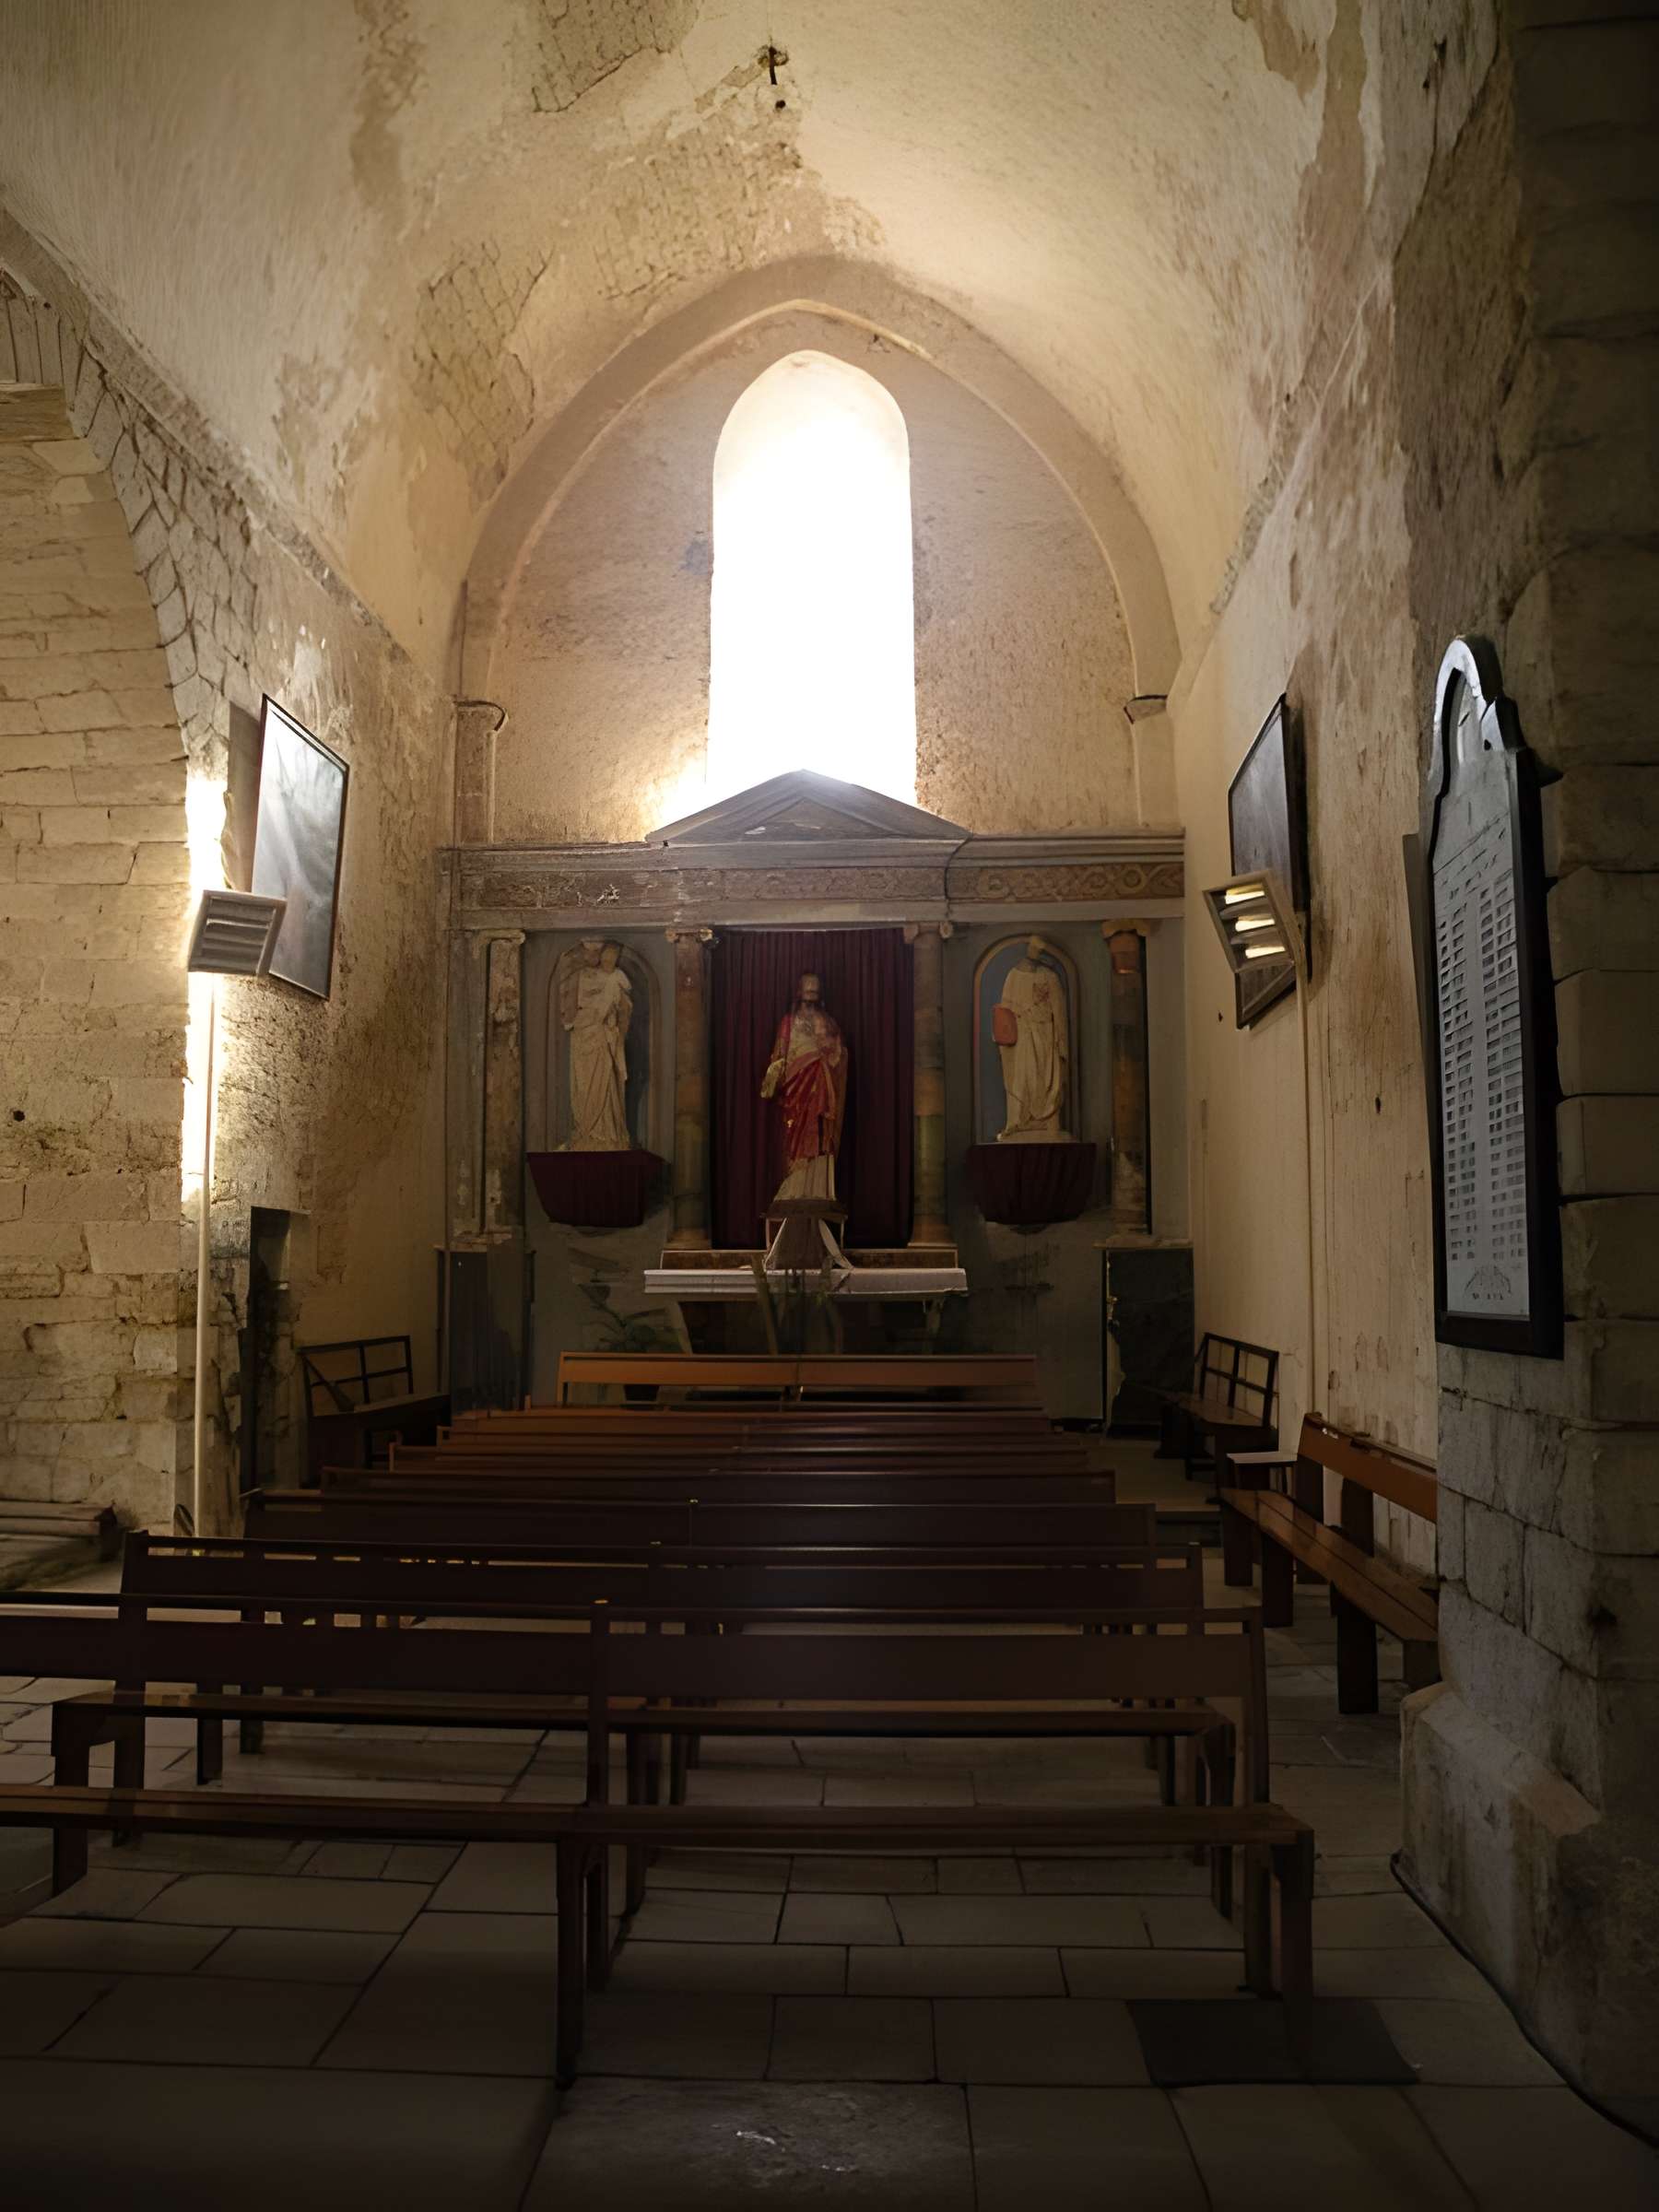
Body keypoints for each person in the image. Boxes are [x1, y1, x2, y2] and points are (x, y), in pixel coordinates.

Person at [759, 971, 847, 1204]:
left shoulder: (828, 1022)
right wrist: (775, 1073)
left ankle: (818, 1190)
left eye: (814, 994)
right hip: (795, 1092)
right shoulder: (788, 1022)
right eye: (807, 992)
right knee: (794, 1140)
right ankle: (794, 1188)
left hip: (821, 1087)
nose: (810, 1000)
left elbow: (839, 1054)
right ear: (799, 993)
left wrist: (826, 1057)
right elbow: (780, 1055)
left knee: (820, 1136)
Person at [559, 937, 633, 1151]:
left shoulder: (615, 978)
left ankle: (607, 1133)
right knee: (583, 1086)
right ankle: (586, 1131)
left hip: (603, 1036)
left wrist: (614, 1022)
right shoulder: (579, 976)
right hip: (583, 1035)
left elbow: (625, 1007)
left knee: (606, 1082)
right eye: (589, 951)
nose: (594, 956)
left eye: (597, 952)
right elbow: (569, 1011)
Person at [994, 935, 1070, 1141]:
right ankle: (1019, 1120)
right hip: (1021, 1037)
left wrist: (1060, 1039)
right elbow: (1005, 1010)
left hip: (1045, 1035)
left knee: (1045, 1078)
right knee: (1022, 1078)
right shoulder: (1013, 976)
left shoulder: (1050, 977)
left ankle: (1047, 1120)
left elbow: (1058, 1010)